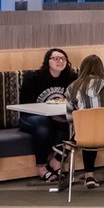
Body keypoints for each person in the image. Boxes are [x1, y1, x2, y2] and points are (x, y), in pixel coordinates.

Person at [20, 46, 78, 181]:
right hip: (30, 117)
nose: (60, 62)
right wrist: (51, 115)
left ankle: (57, 160)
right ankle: (41, 167)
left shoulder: (71, 78)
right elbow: (25, 105)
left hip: (61, 116)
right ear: (47, 61)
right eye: (56, 59)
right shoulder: (33, 78)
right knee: (43, 125)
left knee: (78, 123)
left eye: (63, 59)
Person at [64, 53, 104, 189]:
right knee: (91, 129)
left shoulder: (73, 87)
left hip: (87, 136)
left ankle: (89, 175)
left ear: (82, 69)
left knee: (85, 130)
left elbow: (70, 118)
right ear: (102, 68)